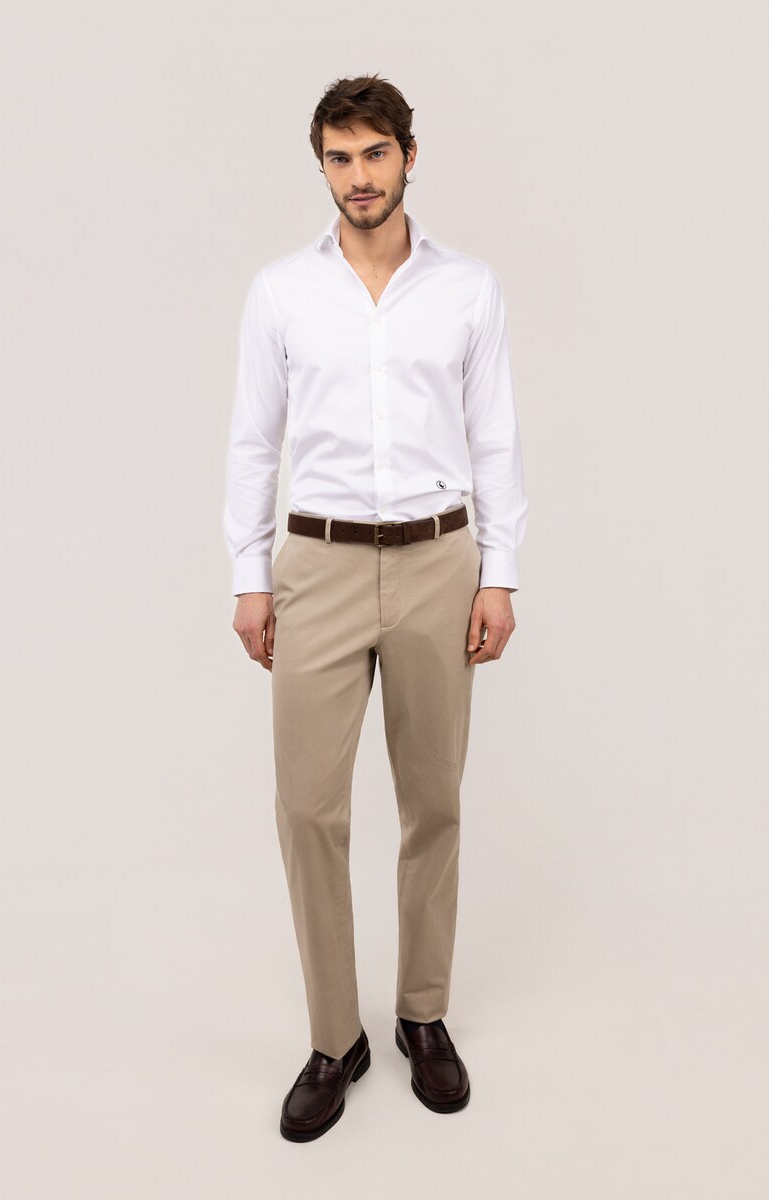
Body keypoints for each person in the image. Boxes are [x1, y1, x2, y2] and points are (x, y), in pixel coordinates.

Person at [223, 73, 528, 1141]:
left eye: (374, 154)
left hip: (440, 560)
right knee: (309, 809)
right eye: (339, 158)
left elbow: (493, 436)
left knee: (432, 802)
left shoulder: (467, 289)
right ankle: (332, 1038)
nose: (358, 177)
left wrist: (499, 573)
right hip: (317, 564)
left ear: (407, 155)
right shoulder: (281, 292)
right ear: (322, 167)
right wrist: (249, 575)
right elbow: (253, 441)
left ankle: (422, 1016)